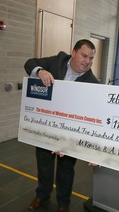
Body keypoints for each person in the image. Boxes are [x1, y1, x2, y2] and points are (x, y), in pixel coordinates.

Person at [24, 39, 99, 212]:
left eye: (91, 58)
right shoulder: (57, 61)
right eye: (84, 55)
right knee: (44, 166)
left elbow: (91, 115)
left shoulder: (93, 83)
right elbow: (30, 63)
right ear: (74, 52)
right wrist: (40, 71)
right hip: (46, 128)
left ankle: (63, 204)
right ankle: (41, 197)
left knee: (66, 171)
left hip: (70, 135)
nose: (87, 61)